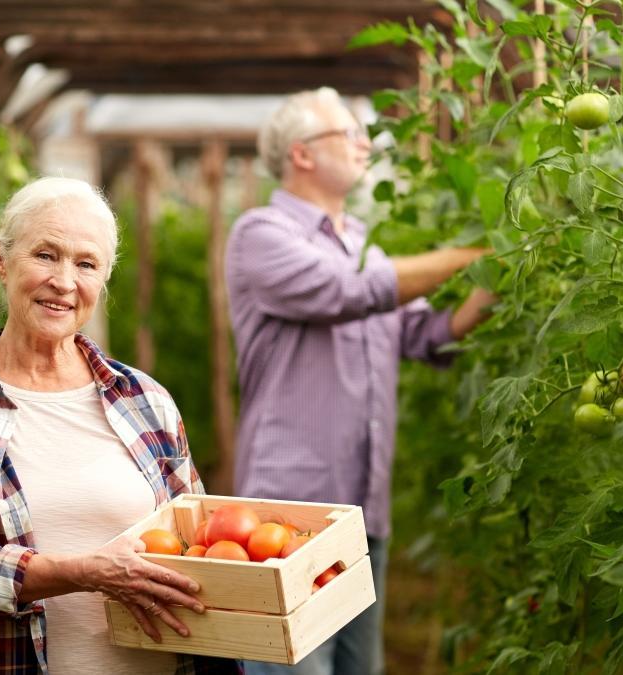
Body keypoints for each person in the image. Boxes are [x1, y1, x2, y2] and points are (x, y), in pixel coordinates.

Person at [0, 177, 239, 675]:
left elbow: (197, 541)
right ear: (1, 258)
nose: (64, 282)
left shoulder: (145, 400)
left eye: (86, 264)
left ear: (103, 280)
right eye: (45, 255)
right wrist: (86, 573)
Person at [225, 88, 497, 675]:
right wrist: (477, 253)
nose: (365, 144)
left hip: (364, 512)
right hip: (290, 514)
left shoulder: (360, 242)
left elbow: (425, 336)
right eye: (348, 134)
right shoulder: (261, 235)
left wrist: (497, 283)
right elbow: (349, 291)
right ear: (301, 153)